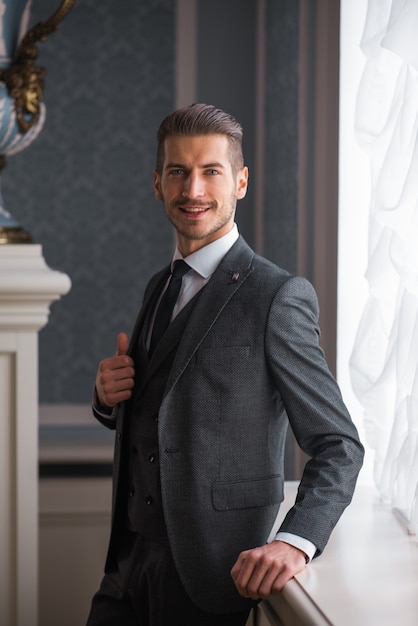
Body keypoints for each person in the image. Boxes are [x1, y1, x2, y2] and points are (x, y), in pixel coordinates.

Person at [86, 103, 364, 626]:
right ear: (157, 184)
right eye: (178, 172)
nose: (193, 190)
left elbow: (339, 445)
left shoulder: (277, 296)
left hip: (212, 574)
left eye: (210, 171)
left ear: (240, 182)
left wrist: (296, 542)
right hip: (126, 566)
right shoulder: (160, 285)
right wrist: (107, 398)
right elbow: (159, 409)